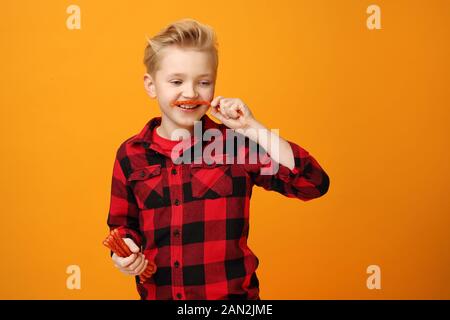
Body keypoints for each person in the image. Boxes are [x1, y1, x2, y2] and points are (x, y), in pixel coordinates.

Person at [106, 18, 330, 300]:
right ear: (151, 85)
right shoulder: (130, 154)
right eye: (176, 81)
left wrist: (252, 128)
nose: (190, 93)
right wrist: (125, 251)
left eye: (203, 82)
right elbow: (123, 225)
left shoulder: (234, 145)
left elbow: (313, 183)